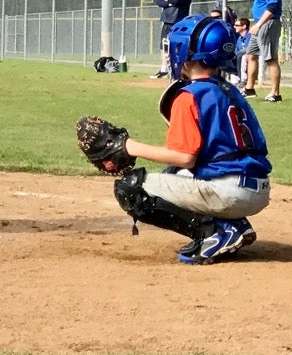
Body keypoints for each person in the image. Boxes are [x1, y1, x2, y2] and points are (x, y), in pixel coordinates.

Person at [103, 15, 272, 264]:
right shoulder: (229, 90)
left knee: (132, 188)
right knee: (173, 172)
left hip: (230, 190)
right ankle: (232, 223)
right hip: (256, 187)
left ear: (187, 52)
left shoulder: (188, 96)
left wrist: (131, 146)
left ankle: (216, 232)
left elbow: (186, 156)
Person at [244, 0, 283, 101]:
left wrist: (259, 24)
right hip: (258, 24)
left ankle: (275, 94)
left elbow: (272, 7)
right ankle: (249, 89)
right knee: (251, 55)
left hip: (267, 24)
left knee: (270, 58)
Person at [151, 0, 193, 78]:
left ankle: (177, 69)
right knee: (164, 44)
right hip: (167, 20)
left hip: (178, 21)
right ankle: (163, 69)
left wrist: (168, 1)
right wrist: (169, 2)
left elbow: (177, 1)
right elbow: (159, 1)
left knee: (176, 45)